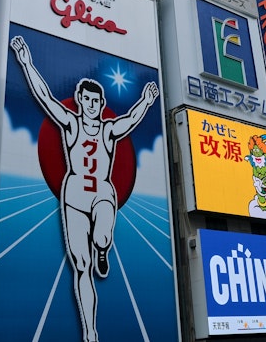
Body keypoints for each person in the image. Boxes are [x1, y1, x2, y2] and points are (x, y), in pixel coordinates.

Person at [11, 35, 159, 342]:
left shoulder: (108, 129)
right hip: (75, 194)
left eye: (96, 101)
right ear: (80, 101)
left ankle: (103, 248)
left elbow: (130, 120)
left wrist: (146, 100)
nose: (91, 105)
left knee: (102, 236)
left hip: (102, 193)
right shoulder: (71, 123)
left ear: (101, 104)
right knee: (81, 265)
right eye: (86, 100)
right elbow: (45, 98)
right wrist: (26, 63)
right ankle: (90, 331)